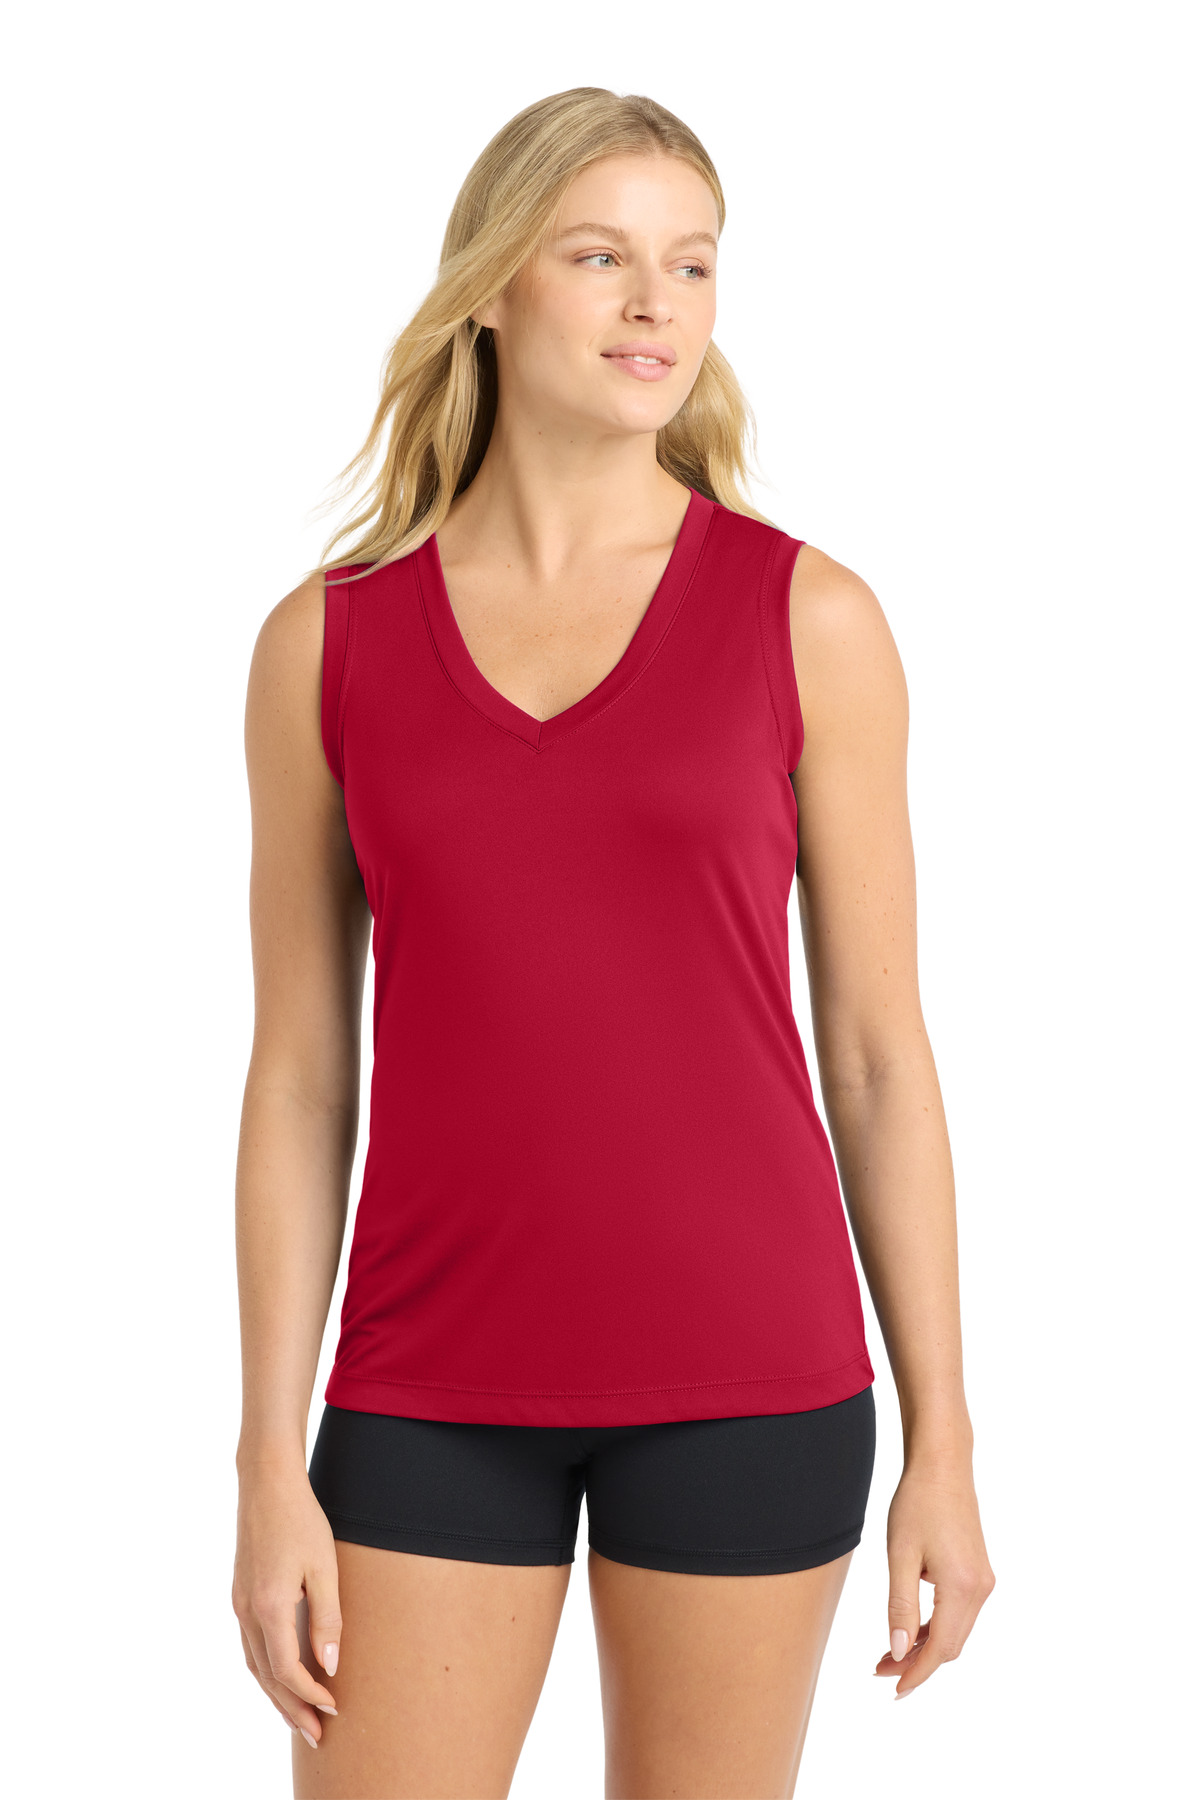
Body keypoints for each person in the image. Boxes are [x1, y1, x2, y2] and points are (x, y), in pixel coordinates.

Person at [231, 86, 995, 1800]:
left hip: (749, 1374)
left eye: (692, 264)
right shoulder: (325, 647)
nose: (656, 302)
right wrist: (268, 1460)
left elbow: (880, 1057)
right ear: (492, 287)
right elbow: (299, 1079)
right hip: (427, 1389)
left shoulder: (810, 618)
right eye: (600, 257)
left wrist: (944, 1434)